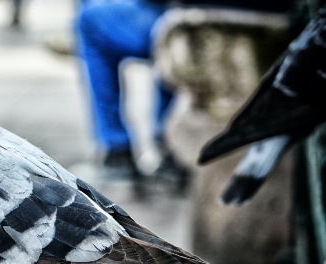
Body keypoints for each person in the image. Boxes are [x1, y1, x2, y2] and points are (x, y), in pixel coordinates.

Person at [77, 0, 293, 181]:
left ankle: (117, 150)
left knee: (90, 20)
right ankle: (164, 146)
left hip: (201, 29)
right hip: (275, 27)